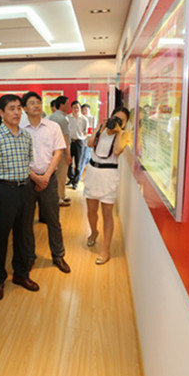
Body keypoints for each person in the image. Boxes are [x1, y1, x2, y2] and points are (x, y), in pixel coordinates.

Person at [0, 94, 38, 300]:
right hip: (4, 191)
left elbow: (28, 164)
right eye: (11, 108)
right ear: (1, 112)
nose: (16, 112)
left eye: (19, 108)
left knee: (24, 233)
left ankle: (21, 274)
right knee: (2, 235)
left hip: (25, 189)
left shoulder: (26, 136)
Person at [21, 92, 70, 273]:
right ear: (25, 108)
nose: (36, 105)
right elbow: (18, 157)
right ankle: (29, 256)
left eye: (38, 102)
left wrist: (46, 176)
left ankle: (58, 255)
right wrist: (35, 177)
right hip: (27, 180)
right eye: (31, 103)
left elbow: (58, 152)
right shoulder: (19, 128)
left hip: (49, 178)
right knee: (26, 222)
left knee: (53, 219)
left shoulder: (53, 126)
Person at [84, 107, 130, 265]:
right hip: (93, 172)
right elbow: (90, 143)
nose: (117, 121)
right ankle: (94, 232)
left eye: (121, 120)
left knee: (107, 214)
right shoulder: (101, 129)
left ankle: (106, 249)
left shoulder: (124, 135)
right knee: (91, 210)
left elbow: (116, 151)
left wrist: (118, 131)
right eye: (115, 118)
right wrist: (100, 128)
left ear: (125, 123)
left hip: (109, 176)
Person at [48, 96, 72, 206]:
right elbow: (65, 137)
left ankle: (61, 195)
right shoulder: (62, 119)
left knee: (58, 174)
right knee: (61, 175)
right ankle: (59, 198)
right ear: (61, 105)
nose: (69, 106)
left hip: (52, 149)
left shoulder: (52, 116)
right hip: (61, 150)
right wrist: (68, 154)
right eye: (67, 103)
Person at [67, 100, 89, 189]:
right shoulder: (68, 118)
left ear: (80, 108)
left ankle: (75, 182)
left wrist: (82, 138)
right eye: (74, 108)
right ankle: (71, 178)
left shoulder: (84, 119)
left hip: (79, 142)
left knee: (78, 163)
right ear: (72, 108)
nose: (76, 109)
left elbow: (86, 132)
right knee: (68, 162)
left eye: (78, 107)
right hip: (69, 142)